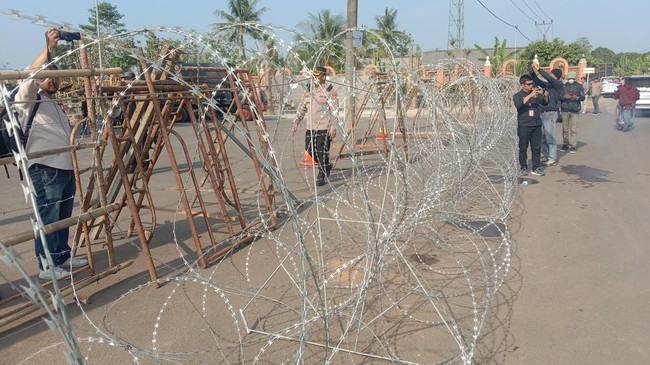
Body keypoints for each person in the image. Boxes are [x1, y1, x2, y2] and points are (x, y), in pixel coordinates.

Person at [14, 28, 87, 280]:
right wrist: (49, 48)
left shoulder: (52, 102)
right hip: (45, 167)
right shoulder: (27, 99)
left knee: (62, 215)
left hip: (64, 165)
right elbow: (31, 75)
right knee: (48, 216)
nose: (53, 81)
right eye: (48, 76)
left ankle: (62, 256)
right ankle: (46, 265)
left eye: (56, 77)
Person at [292, 66, 339, 186]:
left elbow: (334, 111)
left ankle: (322, 174)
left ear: (323, 76)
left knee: (321, 152)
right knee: (310, 150)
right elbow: (302, 108)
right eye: (313, 76)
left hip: (323, 127)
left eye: (317, 76)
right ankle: (326, 165)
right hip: (310, 127)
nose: (314, 79)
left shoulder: (330, 91)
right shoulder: (309, 91)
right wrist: (296, 121)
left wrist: (333, 126)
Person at [513, 74, 548, 176]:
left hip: (536, 124)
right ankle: (523, 167)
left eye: (532, 83)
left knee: (536, 147)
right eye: (528, 84)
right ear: (522, 85)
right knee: (523, 147)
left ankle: (536, 167)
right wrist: (530, 96)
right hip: (524, 125)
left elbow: (545, 103)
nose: (531, 86)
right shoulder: (517, 96)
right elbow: (519, 104)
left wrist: (545, 96)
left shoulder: (536, 94)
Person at [530, 64, 563, 166]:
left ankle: (552, 158)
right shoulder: (548, 85)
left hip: (550, 112)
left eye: (552, 74)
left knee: (550, 136)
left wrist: (539, 69)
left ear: (556, 76)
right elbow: (538, 81)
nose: (550, 75)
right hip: (542, 111)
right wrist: (532, 72)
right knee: (542, 137)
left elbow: (548, 78)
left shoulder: (558, 84)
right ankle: (547, 154)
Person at [559, 71, 586, 154]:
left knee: (573, 129)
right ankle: (565, 144)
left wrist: (576, 97)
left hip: (575, 109)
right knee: (565, 129)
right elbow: (559, 97)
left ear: (575, 79)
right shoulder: (564, 86)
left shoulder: (579, 86)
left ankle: (573, 145)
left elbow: (583, 97)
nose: (571, 80)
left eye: (572, 78)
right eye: (570, 78)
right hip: (565, 109)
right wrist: (564, 97)